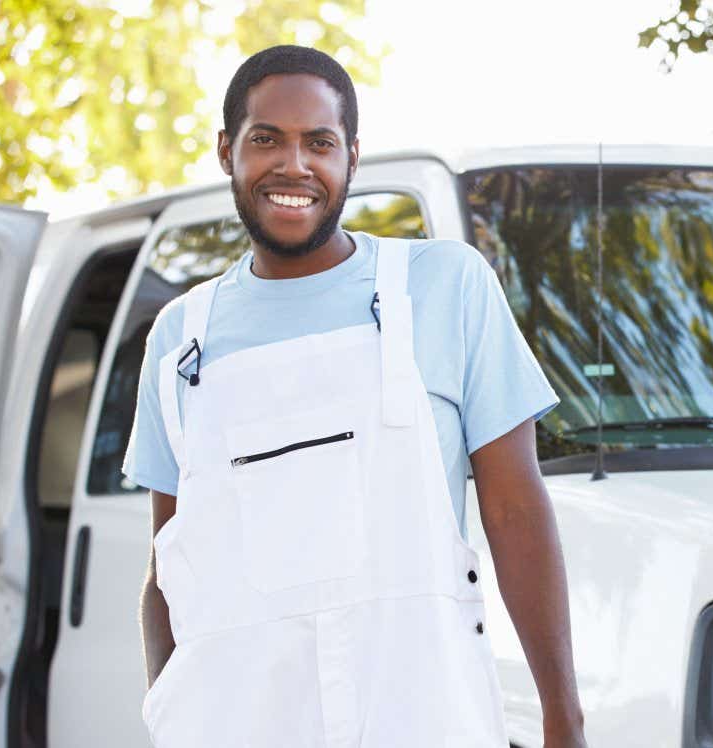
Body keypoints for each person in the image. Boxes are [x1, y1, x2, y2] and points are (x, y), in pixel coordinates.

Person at [125, 45, 586, 747]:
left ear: (353, 158)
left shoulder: (443, 287)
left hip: (421, 718)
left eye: (320, 143)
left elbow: (515, 508)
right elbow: (167, 568)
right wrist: (166, 717)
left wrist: (564, 718)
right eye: (266, 140)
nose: (295, 166)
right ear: (226, 152)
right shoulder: (179, 339)